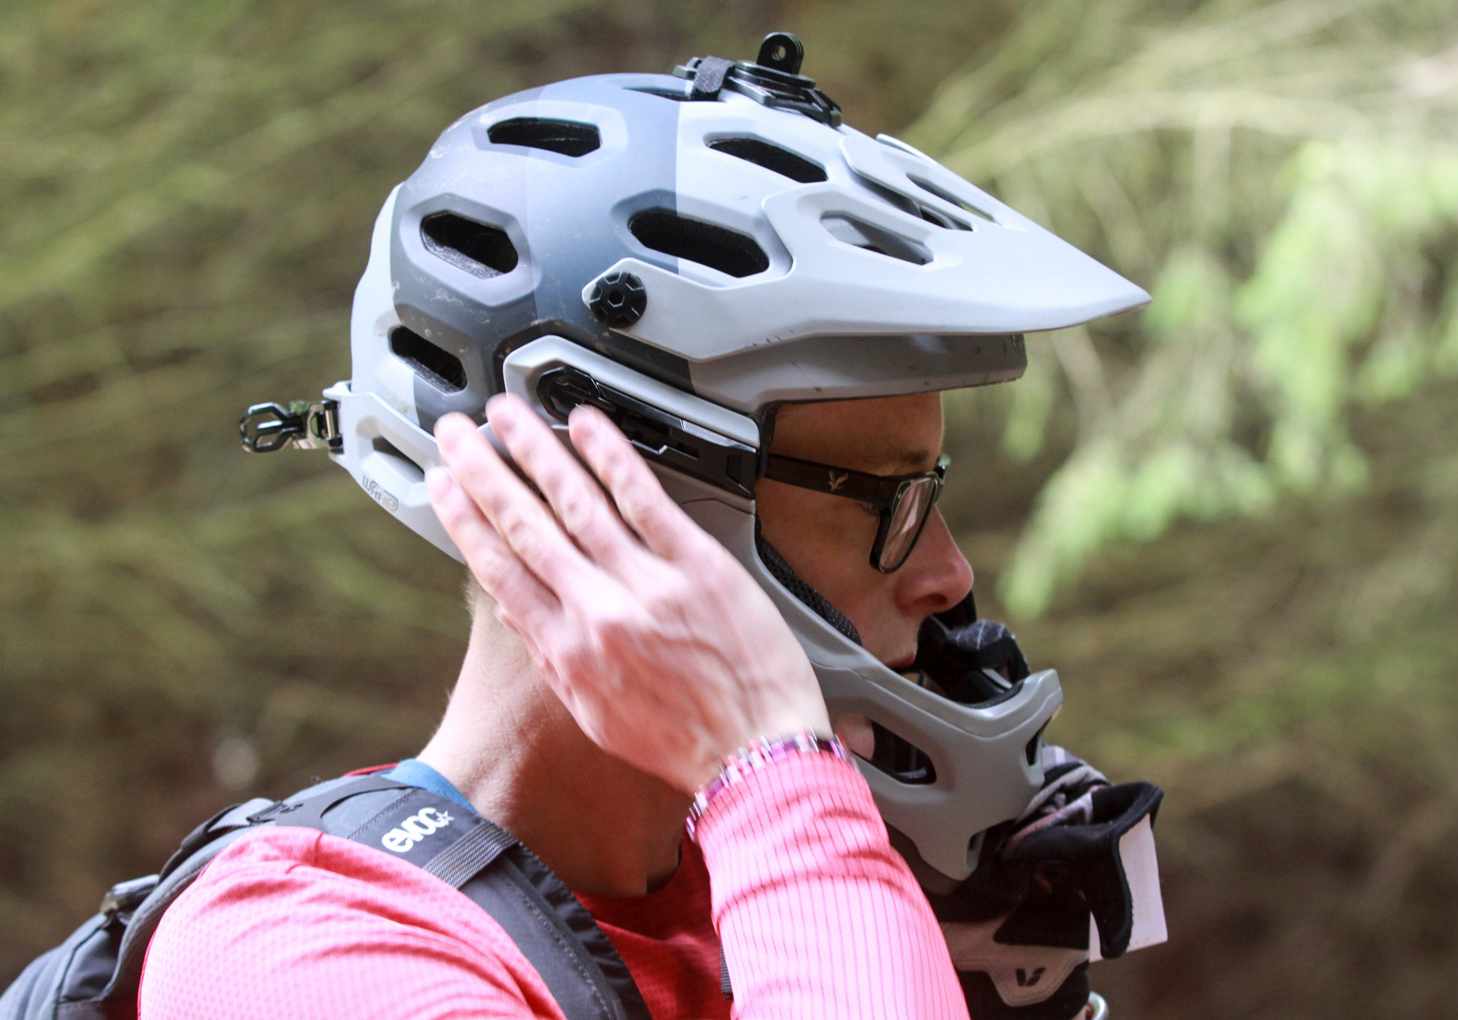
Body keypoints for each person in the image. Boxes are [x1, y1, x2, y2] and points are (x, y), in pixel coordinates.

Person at [146, 33, 1163, 1020]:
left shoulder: (803, 889)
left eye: (930, 492)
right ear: (606, 491)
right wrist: (773, 779)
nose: (948, 573)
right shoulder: (298, 953)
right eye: (884, 499)